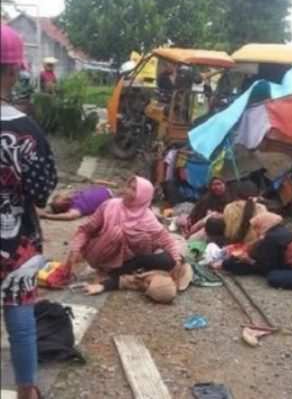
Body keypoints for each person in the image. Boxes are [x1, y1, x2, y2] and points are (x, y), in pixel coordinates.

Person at [1, 24, 57, 399]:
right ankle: (27, 392)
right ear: (10, 71)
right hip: (16, 242)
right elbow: (41, 192)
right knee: (20, 323)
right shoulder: (25, 131)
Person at [63, 176, 192, 299]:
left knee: (146, 238)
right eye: (128, 187)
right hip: (98, 255)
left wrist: (177, 260)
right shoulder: (110, 206)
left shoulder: (147, 217)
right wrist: (75, 250)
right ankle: (107, 267)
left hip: (126, 261)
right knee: (117, 233)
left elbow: (166, 239)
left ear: (143, 196)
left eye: (134, 189)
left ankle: (118, 270)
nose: (127, 192)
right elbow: (85, 230)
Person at [220, 211, 292, 291]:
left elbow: (265, 267)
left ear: (263, 225)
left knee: (273, 276)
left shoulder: (273, 238)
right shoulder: (280, 232)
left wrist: (248, 260)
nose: (256, 231)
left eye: (257, 227)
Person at [38, 184, 114, 221]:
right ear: (62, 211)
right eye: (61, 206)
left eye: (62, 199)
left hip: (107, 188)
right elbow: (69, 217)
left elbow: (58, 196)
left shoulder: (72, 196)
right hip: (113, 200)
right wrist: (47, 216)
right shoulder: (75, 209)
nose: (65, 200)